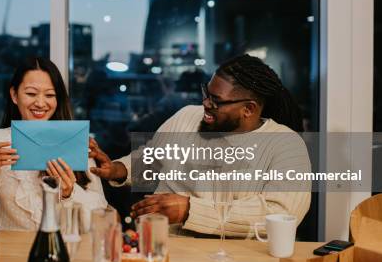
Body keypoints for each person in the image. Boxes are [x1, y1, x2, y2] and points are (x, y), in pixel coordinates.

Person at [90, 54, 312, 237]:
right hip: (162, 246)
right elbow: (151, 160)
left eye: (217, 100)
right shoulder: (187, 117)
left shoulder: (287, 145)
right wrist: (118, 169)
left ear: (249, 109)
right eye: (207, 93)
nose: (206, 104)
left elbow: (281, 214)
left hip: (237, 260)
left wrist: (188, 209)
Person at [0, 57, 107, 231]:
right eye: (31, 93)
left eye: (49, 95)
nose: (41, 103)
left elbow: (101, 219)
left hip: (69, 253)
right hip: (14, 255)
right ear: (14, 95)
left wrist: (69, 192)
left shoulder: (74, 140)